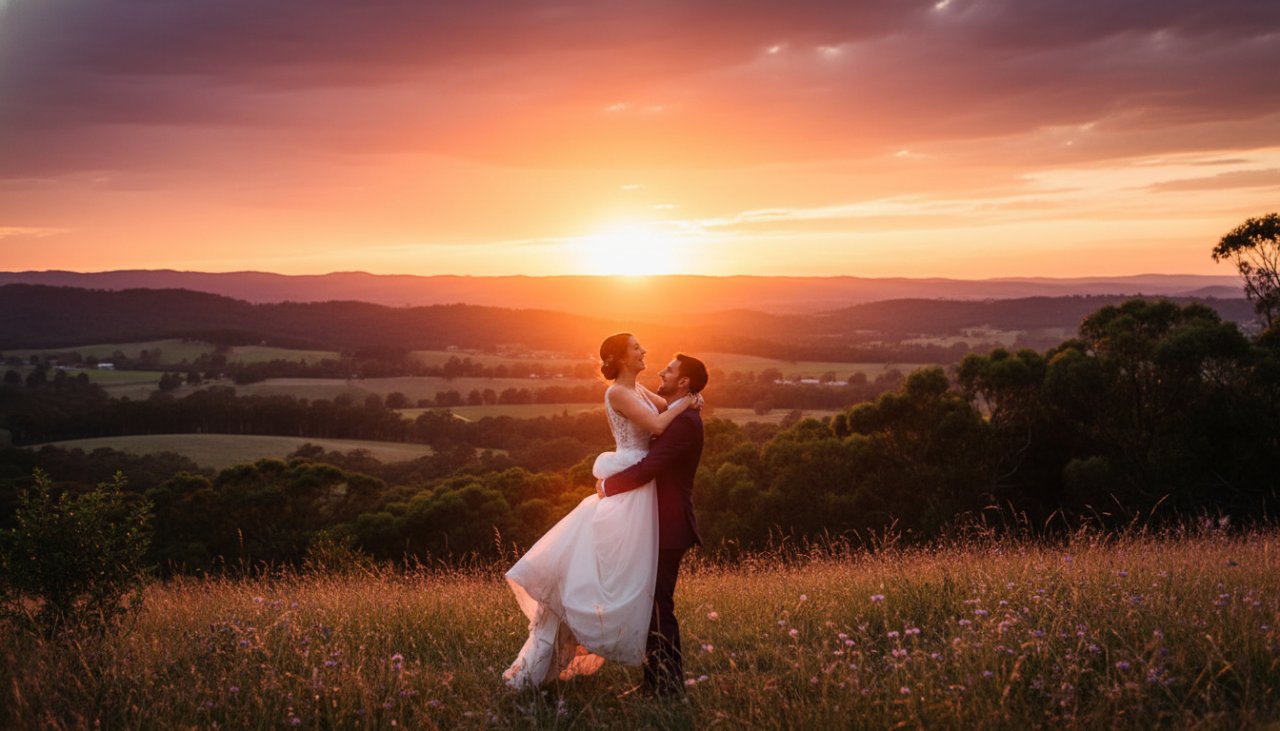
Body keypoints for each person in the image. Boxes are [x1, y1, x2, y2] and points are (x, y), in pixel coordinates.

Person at [502, 333, 701, 690]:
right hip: (630, 482)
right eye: (637, 348)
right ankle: (589, 645)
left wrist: (690, 399)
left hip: (640, 490)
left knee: (646, 592)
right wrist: (688, 402)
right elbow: (658, 424)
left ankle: (660, 680)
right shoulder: (618, 393)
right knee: (605, 575)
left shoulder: (639, 390)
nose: (645, 352)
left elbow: (668, 408)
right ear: (622, 358)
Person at [597, 351, 707, 697]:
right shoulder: (678, 413)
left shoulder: (686, 423)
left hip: (669, 526)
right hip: (652, 523)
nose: (662, 371)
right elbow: (656, 411)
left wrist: (608, 486)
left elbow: (650, 467)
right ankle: (655, 684)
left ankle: (668, 689)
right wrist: (690, 400)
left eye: (670, 370)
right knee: (652, 607)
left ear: (684, 380)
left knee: (660, 608)